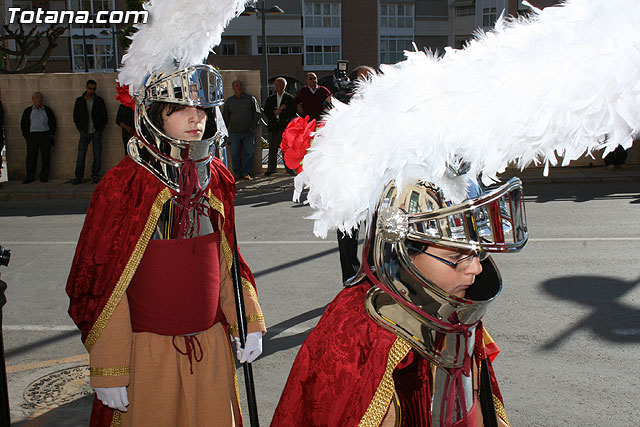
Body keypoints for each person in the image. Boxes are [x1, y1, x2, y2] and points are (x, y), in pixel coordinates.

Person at [66, 64, 266, 426]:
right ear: (155, 115)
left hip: (211, 348)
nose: (196, 118)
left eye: (203, 108)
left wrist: (246, 320)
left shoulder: (217, 177)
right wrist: (110, 366)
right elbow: (102, 280)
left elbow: (226, 259)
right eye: (180, 108)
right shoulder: (123, 184)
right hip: (147, 355)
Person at [271, 177, 527, 426]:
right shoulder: (357, 331)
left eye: (477, 253)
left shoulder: (452, 310)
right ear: (402, 252)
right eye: (457, 255)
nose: (476, 268)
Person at [222, 80, 260, 180]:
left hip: (248, 132)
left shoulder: (250, 99)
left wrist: (253, 126)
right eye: (236, 86)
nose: (239, 87)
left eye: (240, 85)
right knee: (235, 154)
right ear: (233, 88)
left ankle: (247, 173)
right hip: (234, 133)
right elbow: (225, 117)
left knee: (249, 153)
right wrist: (227, 132)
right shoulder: (230, 101)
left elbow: (257, 114)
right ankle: (237, 173)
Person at [72, 79, 108, 184]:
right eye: (90, 88)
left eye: (93, 89)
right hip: (84, 131)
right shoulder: (80, 101)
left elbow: (104, 116)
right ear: (86, 88)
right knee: (81, 154)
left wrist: (100, 128)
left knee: (97, 154)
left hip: (96, 131)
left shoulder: (99, 101)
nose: (91, 91)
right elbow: (76, 116)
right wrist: (80, 128)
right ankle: (79, 176)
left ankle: (95, 175)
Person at [20, 91, 56, 184]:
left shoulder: (47, 110)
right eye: (37, 97)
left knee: (46, 157)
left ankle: (44, 176)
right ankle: (29, 176)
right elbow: (23, 124)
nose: (39, 99)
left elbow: (52, 122)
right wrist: (27, 136)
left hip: (45, 135)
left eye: (40, 97)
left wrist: (51, 134)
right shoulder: (28, 111)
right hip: (32, 136)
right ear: (33, 99)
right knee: (31, 157)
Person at [264, 77, 297, 176]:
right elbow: (266, 110)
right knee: (272, 148)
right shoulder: (271, 98)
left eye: (278, 84)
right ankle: (271, 169)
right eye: (275, 84)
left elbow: (292, 111)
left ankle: (289, 168)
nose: (276, 86)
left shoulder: (289, 98)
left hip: (284, 127)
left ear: (283, 85)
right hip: (273, 126)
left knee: (286, 149)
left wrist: (282, 112)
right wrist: (274, 112)